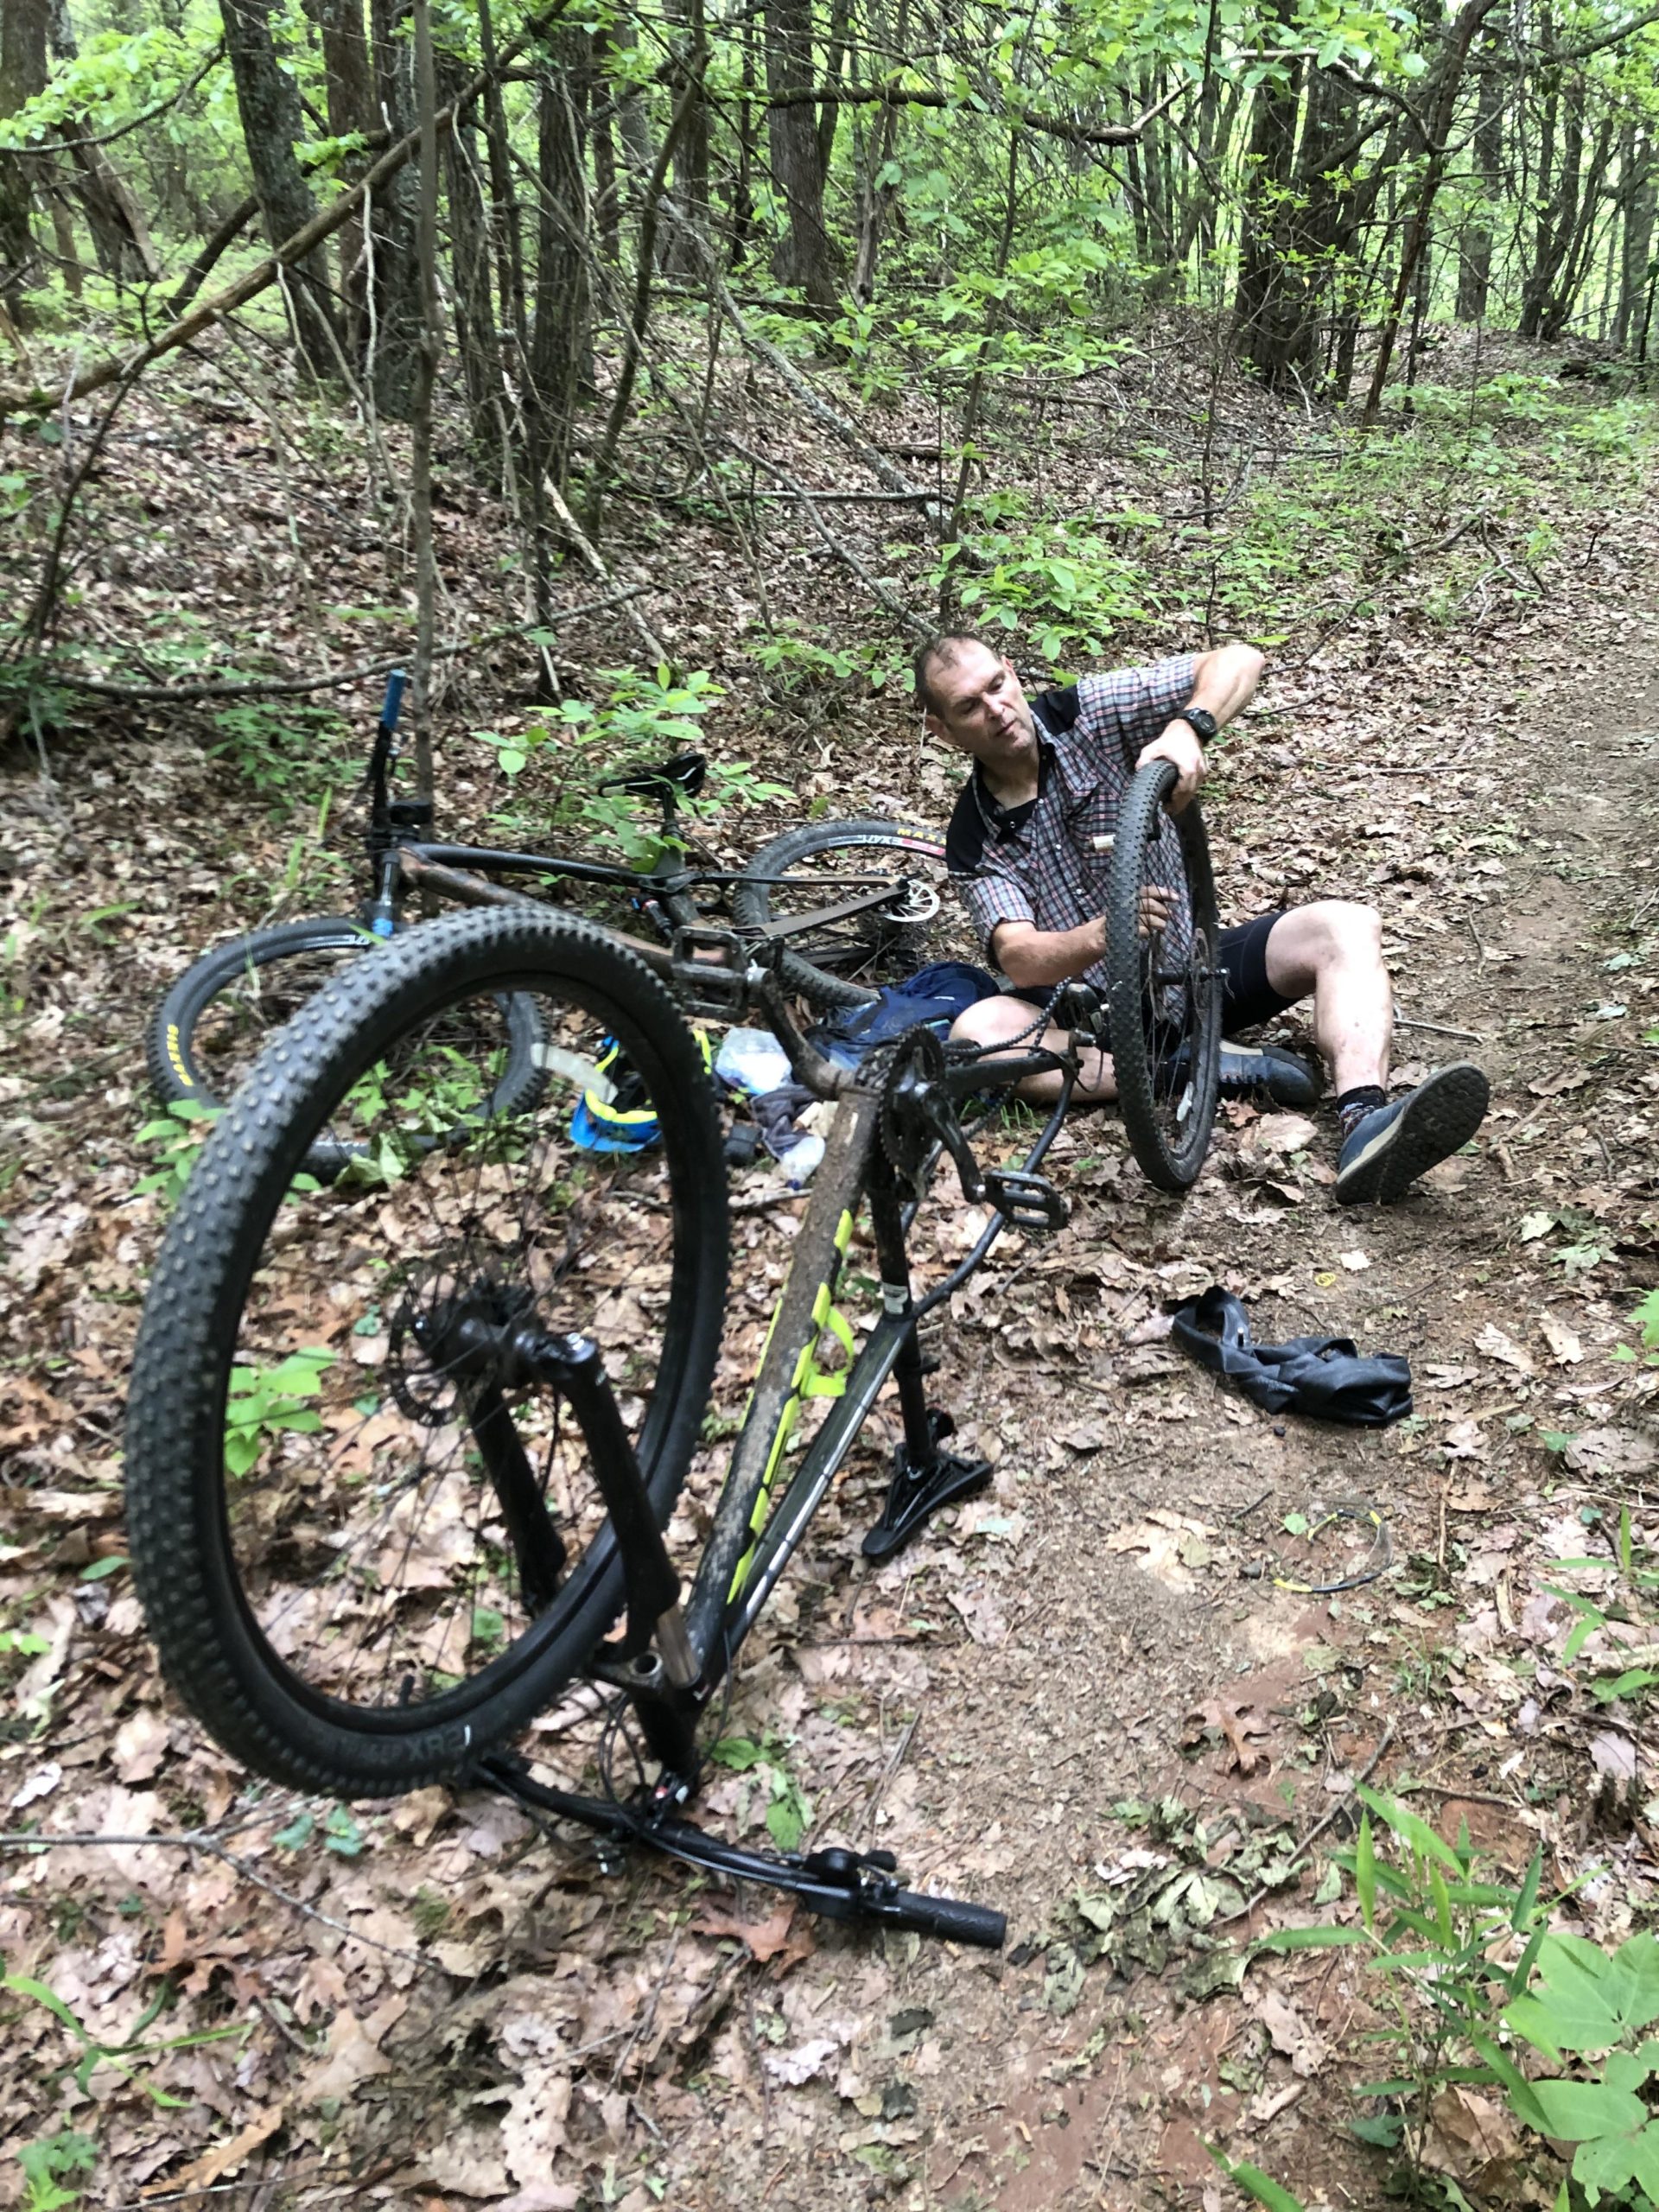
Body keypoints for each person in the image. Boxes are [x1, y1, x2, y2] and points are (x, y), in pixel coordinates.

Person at [922, 632, 1488, 1205]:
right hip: (1094, 1019)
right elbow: (1019, 957)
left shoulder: (1087, 713)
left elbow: (1240, 659)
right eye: (969, 705)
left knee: (1347, 925)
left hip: (1193, 971)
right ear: (944, 731)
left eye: (997, 685)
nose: (996, 709)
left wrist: (1188, 727)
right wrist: (1102, 933)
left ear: (1013, 673)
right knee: (979, 1035)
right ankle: (1187, 1070)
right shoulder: (973, 836)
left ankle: (1365, 1120)